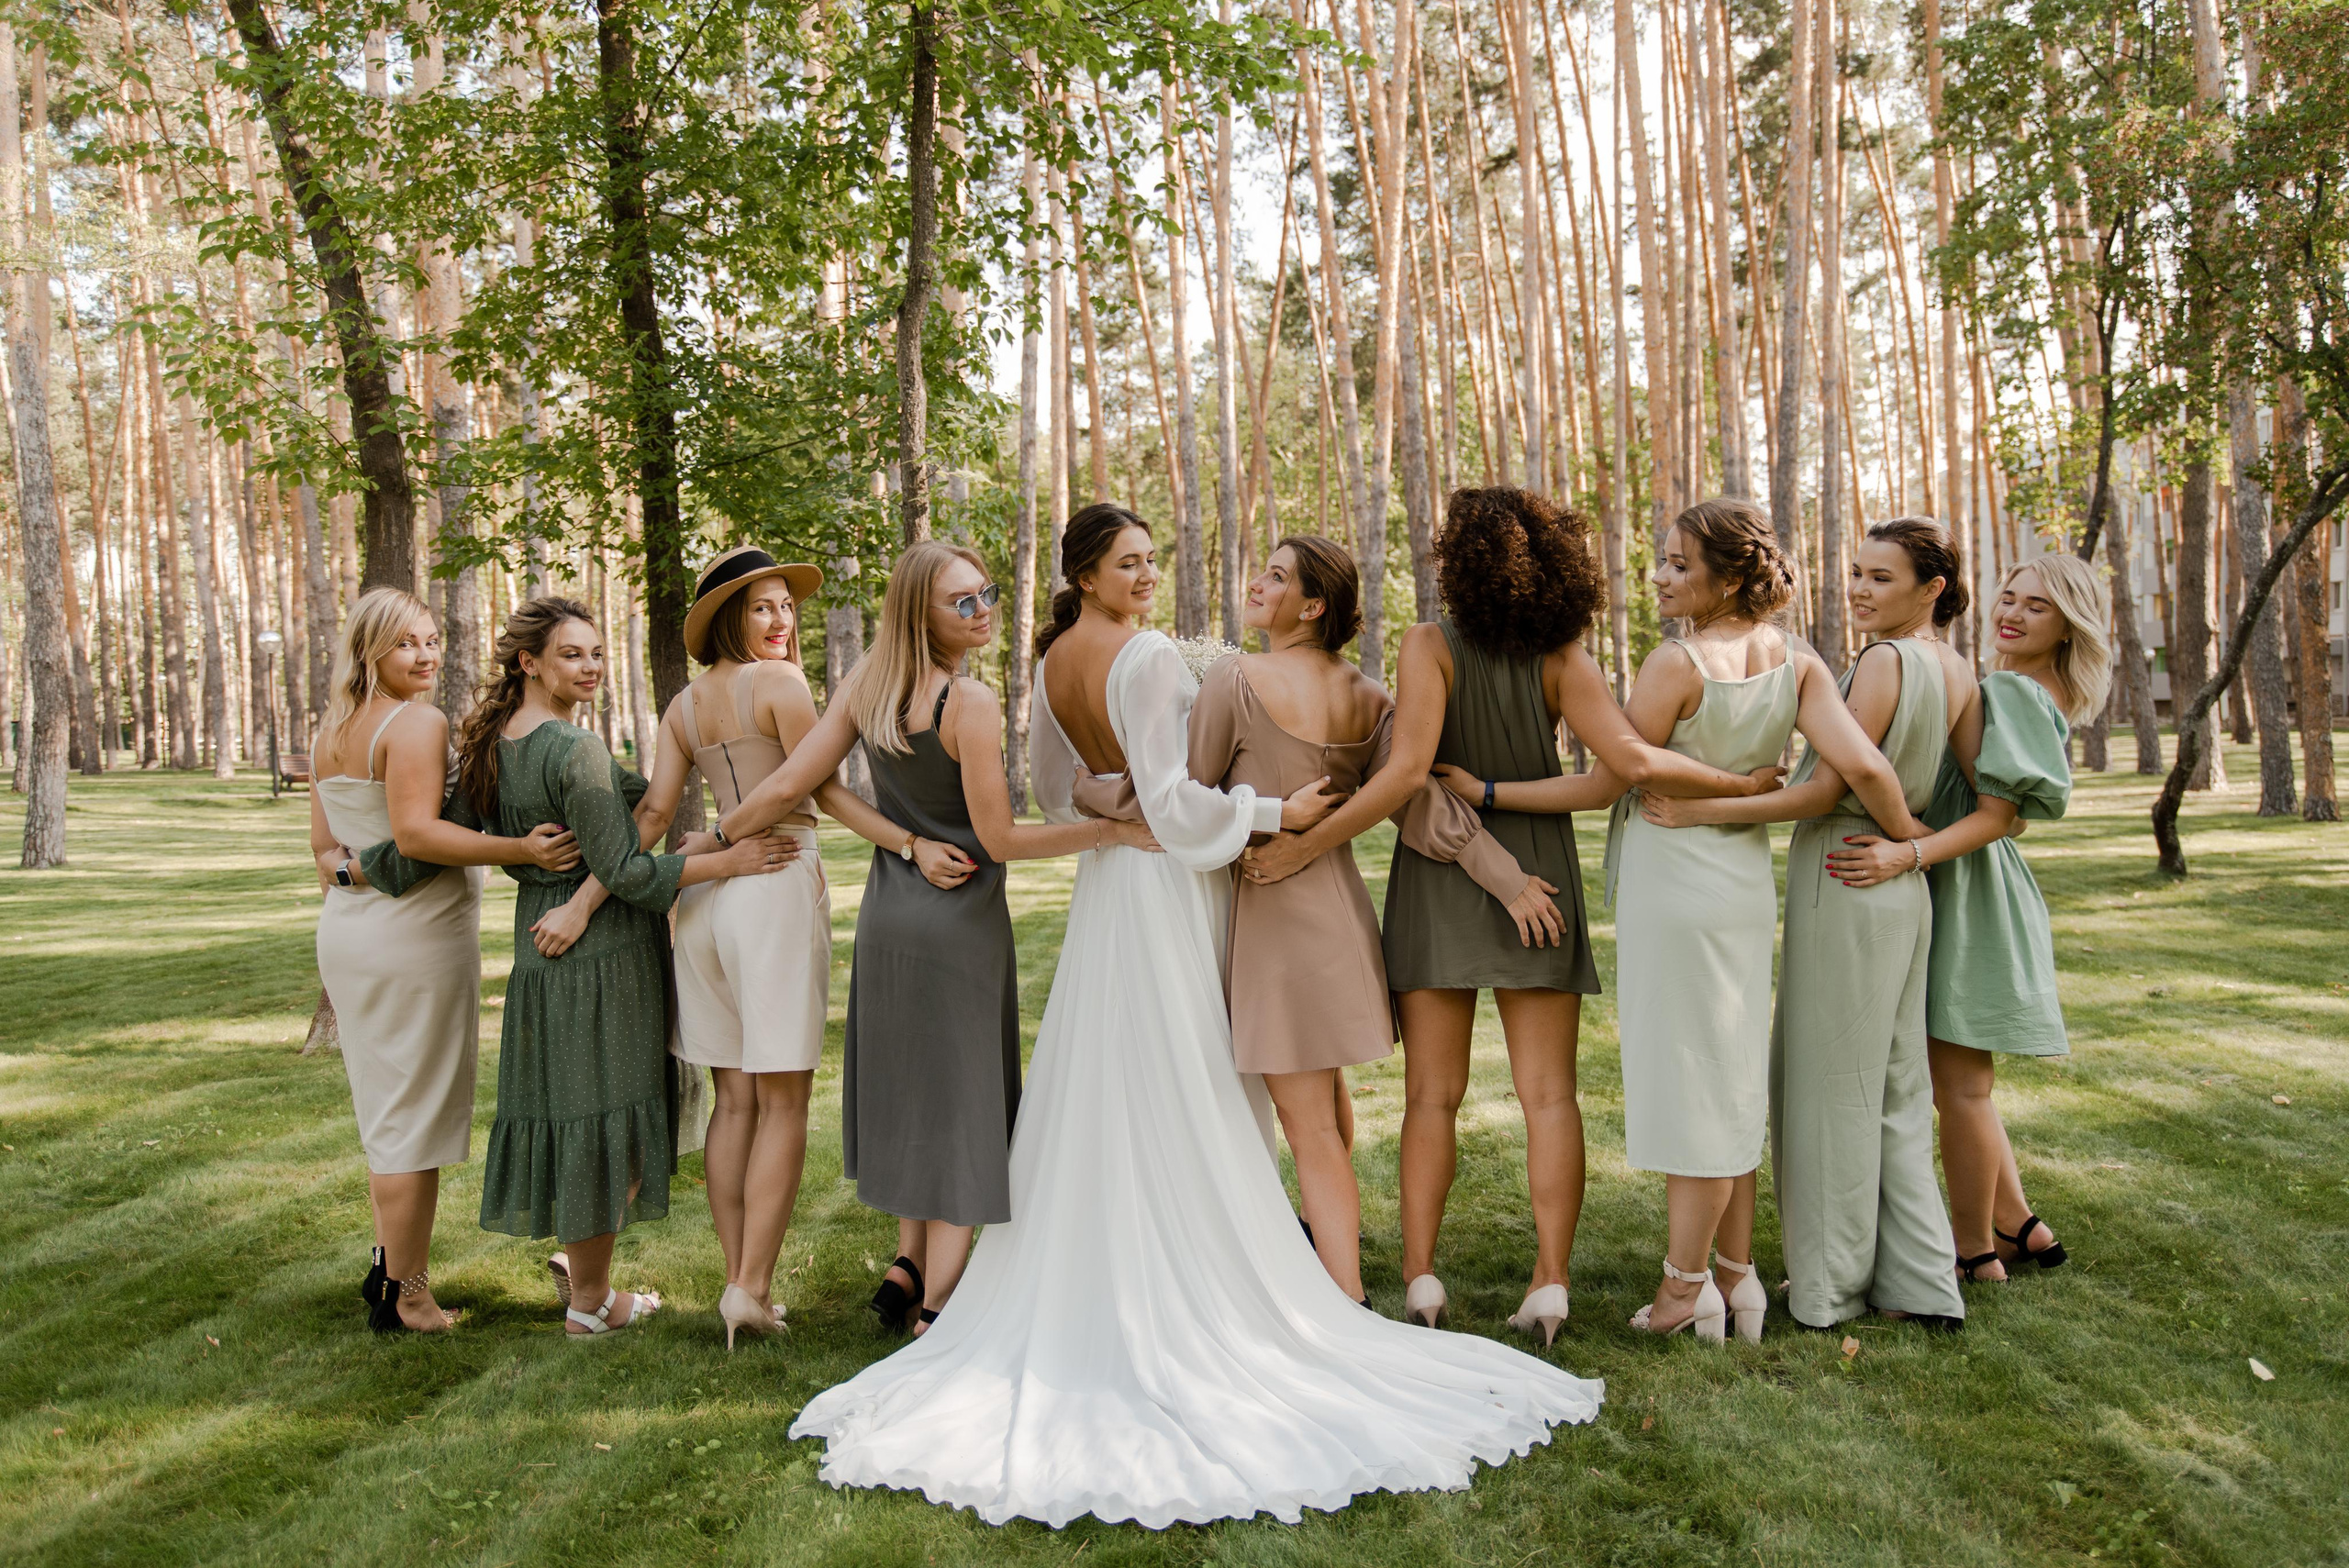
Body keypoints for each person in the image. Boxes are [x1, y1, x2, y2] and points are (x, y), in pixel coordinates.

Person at [783, 503, 1603, 1531]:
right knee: (1200, 1082)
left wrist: (1106, 812)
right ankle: (1259, 1281)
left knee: (1113, 1079)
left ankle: (1122, 1262)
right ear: (1085, 573)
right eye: (1129, 562)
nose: (1146, 573)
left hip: (1106, 892)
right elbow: (1180, 808)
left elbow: (1057, 788)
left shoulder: (1046, 665)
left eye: (1149, 558)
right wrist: (1271, 815)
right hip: (1170, 884)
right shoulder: (1159, 659)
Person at [1244, 487, 1784, 1343]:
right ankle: (1551, 1282)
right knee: (1549, 1096)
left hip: (1437, 882)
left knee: (1431, 1096)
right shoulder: (1564, 655)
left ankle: (1422, 1276)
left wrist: (1310, 844)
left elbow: (1406, 774)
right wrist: (1743, 784)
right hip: (1541, 877)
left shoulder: (1430, 644)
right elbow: (1625, 769)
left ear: (1457, 561)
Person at [1449, 499, 1926, 1343]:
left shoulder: (1676, 664)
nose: (1661, 575)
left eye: (1677, 564)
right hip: (1741, 887)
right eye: (1661, 559)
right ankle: (1739, 1280)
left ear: (1729, 576)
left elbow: (1609, 781)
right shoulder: (1800, 661)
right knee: (1731, 1070)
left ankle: (1684, 1286)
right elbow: (1859, 768)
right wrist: (1912, 841)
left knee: (1691, 1085)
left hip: (1672, 889)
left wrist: (1488, 792)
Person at [713, 538, 1159, 1336]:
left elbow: (806, 781)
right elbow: (1001, 837)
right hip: (957, 925)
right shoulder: (970, 704)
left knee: (912, 1094)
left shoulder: (868, 686)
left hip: (891, 913)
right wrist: (1109, 834)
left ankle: (905, 1263)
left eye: (986, 593)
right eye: (963, 602)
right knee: (960, 1104)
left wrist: (894, 842)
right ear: (921, 613)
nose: (984, 610)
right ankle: (941, 1303)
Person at [370, 596, 789, 1338]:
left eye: (597, 653)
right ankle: (589, 1303)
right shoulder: (573, 748)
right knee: (613, 1121)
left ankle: (587, 1273)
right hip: (604, 955)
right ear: (529, 662)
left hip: (538, 952)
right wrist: (732, 857)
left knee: (579, 1110)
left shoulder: (494, 744)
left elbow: (437, 835)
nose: (591, 666)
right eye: (573, 654)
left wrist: (354, 868)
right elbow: (625, 871)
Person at [1179, 534, 1535, 1304]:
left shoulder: (1233, 680)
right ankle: (1327, 1251)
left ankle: (1344, 1298)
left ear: (1311, 605)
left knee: (1305, 1121)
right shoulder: (1370, 696)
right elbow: (1423, 807)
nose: (1257, 582)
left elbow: (1188, 802)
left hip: (1276, 914)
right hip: (1340, 916)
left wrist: (1104, 798)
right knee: (1323, 1100)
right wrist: (1506, 880)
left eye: (1276, 576)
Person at [1641, 516, 1971, 1332]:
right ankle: (1922, 1277)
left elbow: (1845, 778)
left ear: (1930, 589)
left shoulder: (1882, 663)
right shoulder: (1956, 669)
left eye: (1879, 577)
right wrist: (1923, 849)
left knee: (1830, 1094)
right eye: (1856, 573)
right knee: (1899, 1088)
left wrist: (1721, 807)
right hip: (1908, 890)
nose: (1859, 588)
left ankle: (1828, 1286)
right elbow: (1990, 804)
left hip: (1850, 868)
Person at [629, 547, 963, 1349]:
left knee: (733, 1098)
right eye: (762, 608)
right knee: (777, 1100)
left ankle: (739, 1279)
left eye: (785, 606)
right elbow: (822, 790)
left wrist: (612, 885)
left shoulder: (681, 708)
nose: (781, 621)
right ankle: (749, 1286)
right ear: (727, 622)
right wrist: (908, 843)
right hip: (772, 879)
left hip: (704, 895)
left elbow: (650, 820)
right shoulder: (778, 686)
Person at [1824, 554, 2110, 1284]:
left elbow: (2000, 818)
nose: (2012, 614)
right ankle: (2019, 1224)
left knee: (1962, 1087)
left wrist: (1907, 853)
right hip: (1969, 879)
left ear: (2068, 628)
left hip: (1967, 883)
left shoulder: (2012, 689)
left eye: (2037, 607)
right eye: (2009, 598)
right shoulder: (2018, 686)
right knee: (1964, 1081)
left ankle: (1973, 1247)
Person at [308, 587, 581, 1333]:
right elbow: (420, 836)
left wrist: (348, 875)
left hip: (350, 934)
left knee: (387, 1114)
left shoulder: (333, 727)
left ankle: (385, 1266)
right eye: (407, 644)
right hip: (412, 939)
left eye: (431, 639)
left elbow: (326, 851)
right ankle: (410, 1296)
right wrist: (519, 848)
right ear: (371, 651)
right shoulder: (416, 722)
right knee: (412, 1125)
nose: (427, 655)